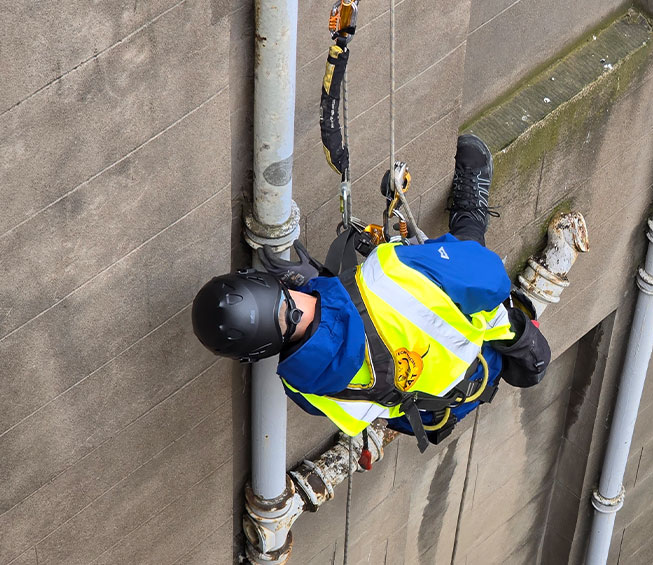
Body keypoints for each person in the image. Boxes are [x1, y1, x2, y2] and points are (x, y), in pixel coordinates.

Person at [192, 135, 551, 451]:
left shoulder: (304, 389)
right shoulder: (387, 273)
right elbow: (488, 277)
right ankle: (470, 214)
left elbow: (341, 343)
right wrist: (324, 283)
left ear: (256, 354)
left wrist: (323, 281)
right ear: (271, 282)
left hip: (437, 410)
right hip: (488, 353)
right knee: (467, 266)